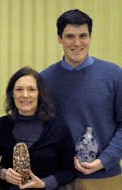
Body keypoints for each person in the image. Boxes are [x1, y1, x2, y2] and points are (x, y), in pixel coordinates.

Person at [40, 9, 122, 189]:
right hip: (59, 179)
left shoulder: (114, 75)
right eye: (70, 36)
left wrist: (103, 161)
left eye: (83, 36)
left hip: (105, 177)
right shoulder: (44, 80)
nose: (77, 43)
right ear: (60, 38)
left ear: (90, 37)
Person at [0, 67, 77, 190]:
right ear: (12, 94)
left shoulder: (58, 127)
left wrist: (45, 183)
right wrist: (2, 173)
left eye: (31, 90)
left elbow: (70, 171)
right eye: (19, 89)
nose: (25, 95)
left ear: (40, 93)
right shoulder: (1, 125)